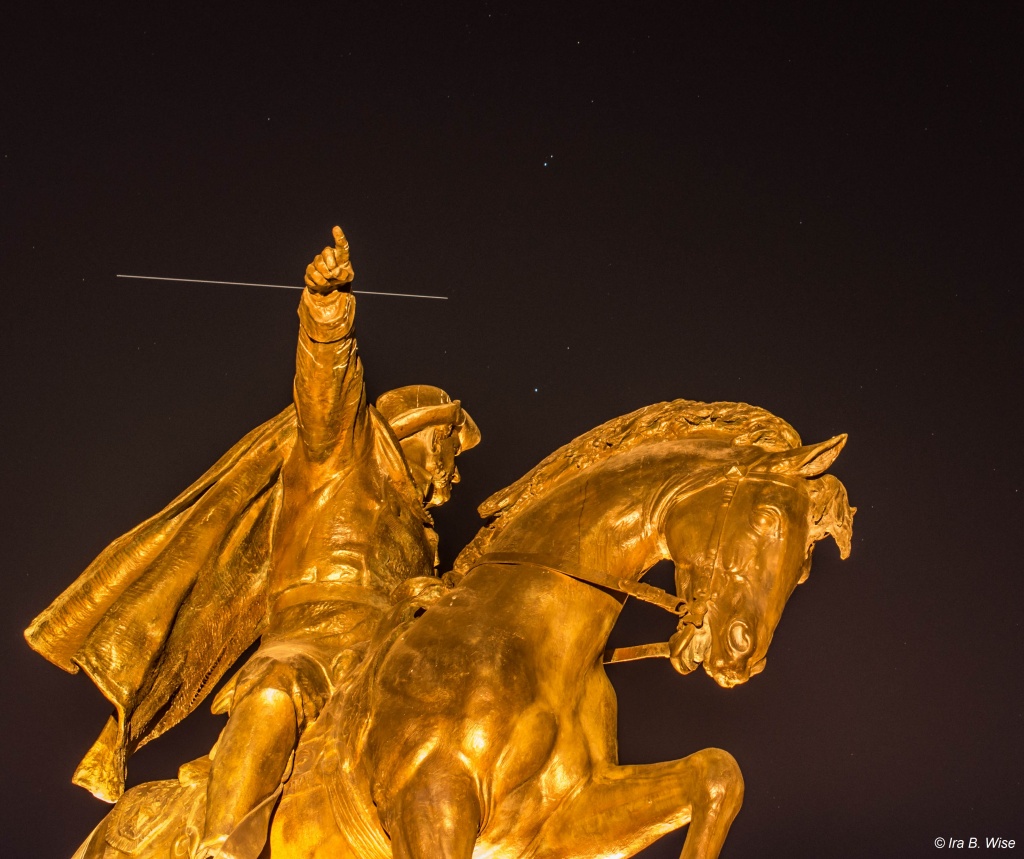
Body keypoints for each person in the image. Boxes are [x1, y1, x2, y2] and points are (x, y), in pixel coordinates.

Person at [25, 227, 479, 859]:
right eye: (449, 450)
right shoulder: (339, 455)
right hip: (313, 640)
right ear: (420, 435)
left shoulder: (422, 535)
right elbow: (327, 387)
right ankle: (220, 843)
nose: (454, 470)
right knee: (275, 687)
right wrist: (328, 313)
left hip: (390, 652)